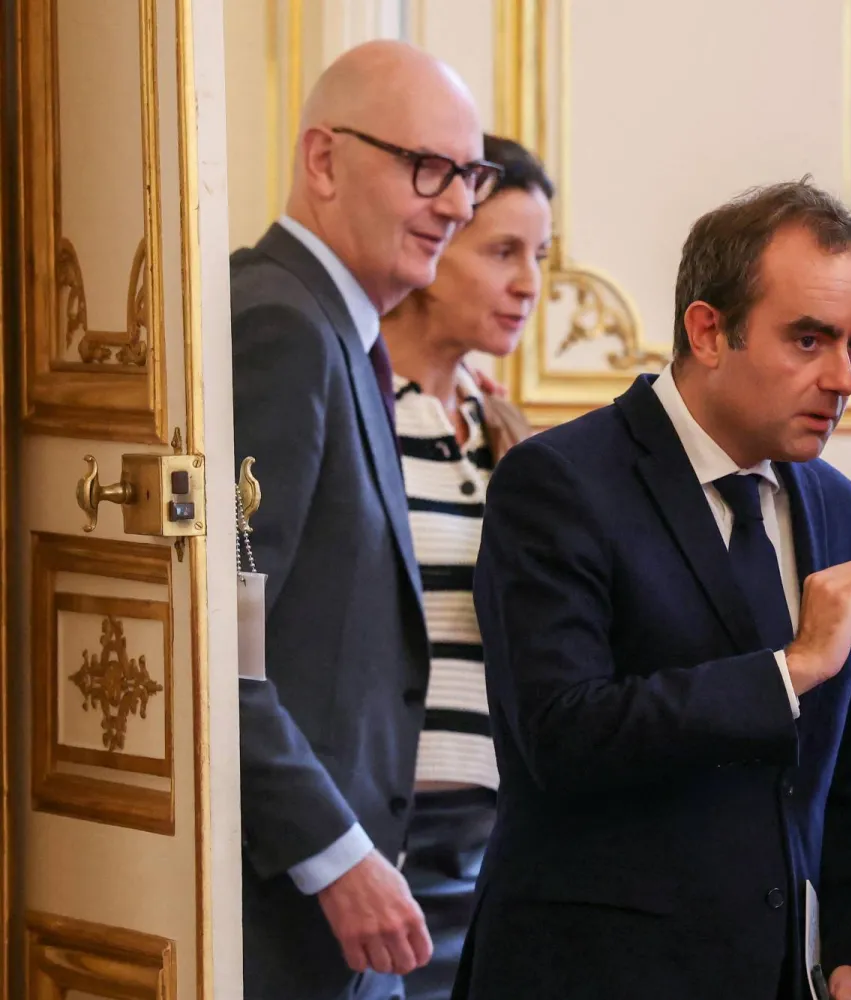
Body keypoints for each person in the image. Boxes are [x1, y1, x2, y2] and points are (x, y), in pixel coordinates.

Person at [455, 180, 851, 1000]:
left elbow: (840, 770)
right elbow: (562, 736)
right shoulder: (556, 481)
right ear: (707, 331)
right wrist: (787, 672)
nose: (844, 378)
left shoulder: (838, 506)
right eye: (810, 340)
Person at [231, 40, 499, 1000]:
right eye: (428, 167)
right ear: (323, 160)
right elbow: (216, 643)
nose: (458, 204)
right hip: (283, 908)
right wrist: (338, 856)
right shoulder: (282, 325)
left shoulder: (338, 331)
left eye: (471, 175)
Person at [378, 136, 552, 1000]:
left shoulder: (506, 432)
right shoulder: (361, 407)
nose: (529, 283)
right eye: (503, 251)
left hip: (498, 835)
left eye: (541, 256)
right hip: (381, 832)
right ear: (434, 240)